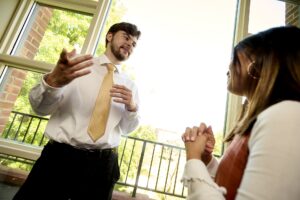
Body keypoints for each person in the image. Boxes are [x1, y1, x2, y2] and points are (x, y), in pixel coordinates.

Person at [13, 22, 141, 200]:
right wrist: (53, 81)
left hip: (103, 167)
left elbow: (127, 129)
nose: (130, 44)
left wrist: (132, 108)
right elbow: (40, 109)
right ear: (109, 36)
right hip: (59, 160)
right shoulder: (77, 67)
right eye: (126, 37)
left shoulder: (130, 86)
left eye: (134, 43)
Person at [181, 26, 300, 200]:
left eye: (234, 57)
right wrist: (207, 160)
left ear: (257, 65)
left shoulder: (287, 116)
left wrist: (193, 159)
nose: (228, 67)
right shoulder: (268, 118)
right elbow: (234, 186)